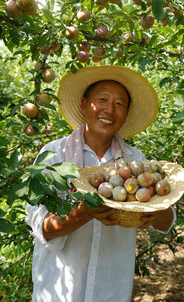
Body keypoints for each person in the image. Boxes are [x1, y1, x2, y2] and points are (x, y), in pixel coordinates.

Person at [26, 65, 176, 302]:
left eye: (119, 104)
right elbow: (40, 225)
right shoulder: (54, 155)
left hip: (111, 289)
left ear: (126, 114)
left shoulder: (136, 162)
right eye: (102, 99)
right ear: (85, 105)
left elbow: (166, 221)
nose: (109, 109)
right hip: (58, 289)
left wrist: (153, 209)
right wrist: (83, 214)